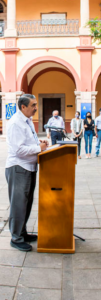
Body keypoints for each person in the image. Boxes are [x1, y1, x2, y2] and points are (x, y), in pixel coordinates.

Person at [5, 94, 49, 251]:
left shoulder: (27, 120)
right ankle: (16, 238)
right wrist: (39, 148)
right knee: (18, 204)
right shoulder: (16, 123)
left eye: (36, 104)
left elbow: (28, 142)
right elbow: (18, 150)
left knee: (26, 203)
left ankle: (22, 232)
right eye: (33, 105)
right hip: (18, 168)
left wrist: (39, 143)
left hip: (29, 167)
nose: (36, 108)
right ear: (23, 107)